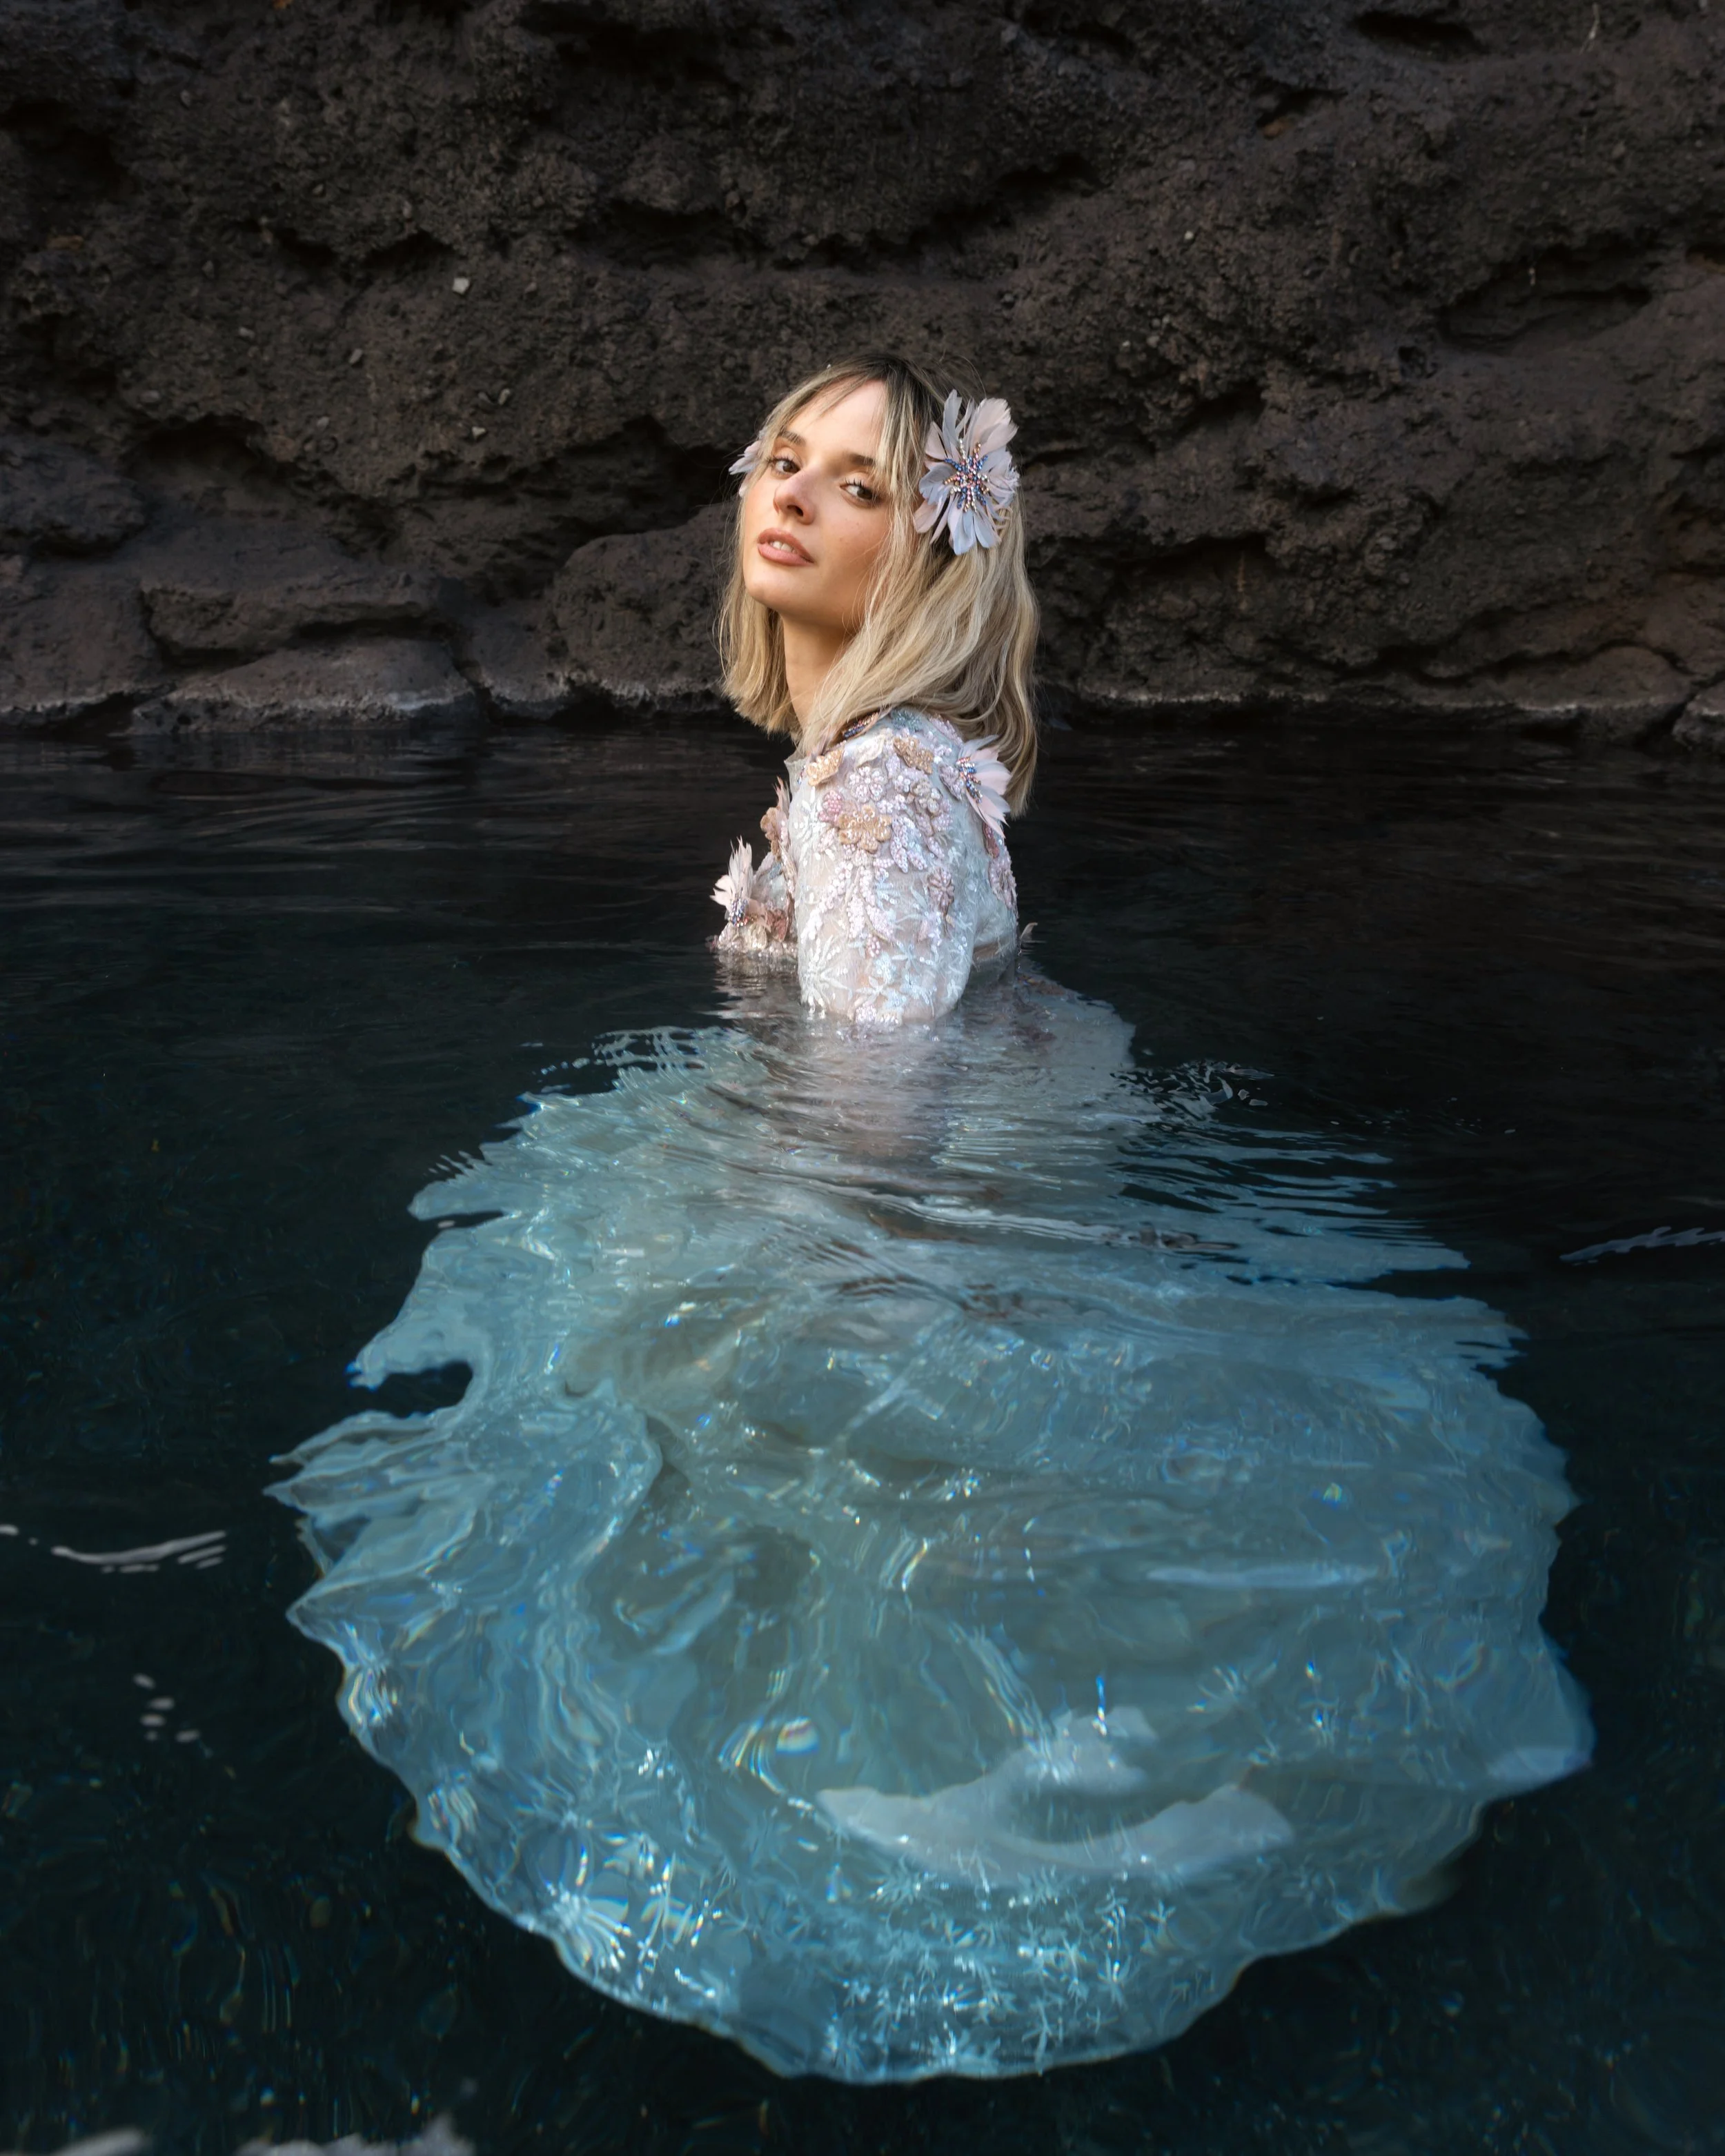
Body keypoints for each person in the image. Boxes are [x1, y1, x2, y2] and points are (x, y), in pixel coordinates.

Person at [707, 353, 1034, 1025]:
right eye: (785, 461)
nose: (792, 495)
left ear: (932, 566)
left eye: (859, 488)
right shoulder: (887, 754)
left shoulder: (877, 782)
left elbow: (876, 1085)